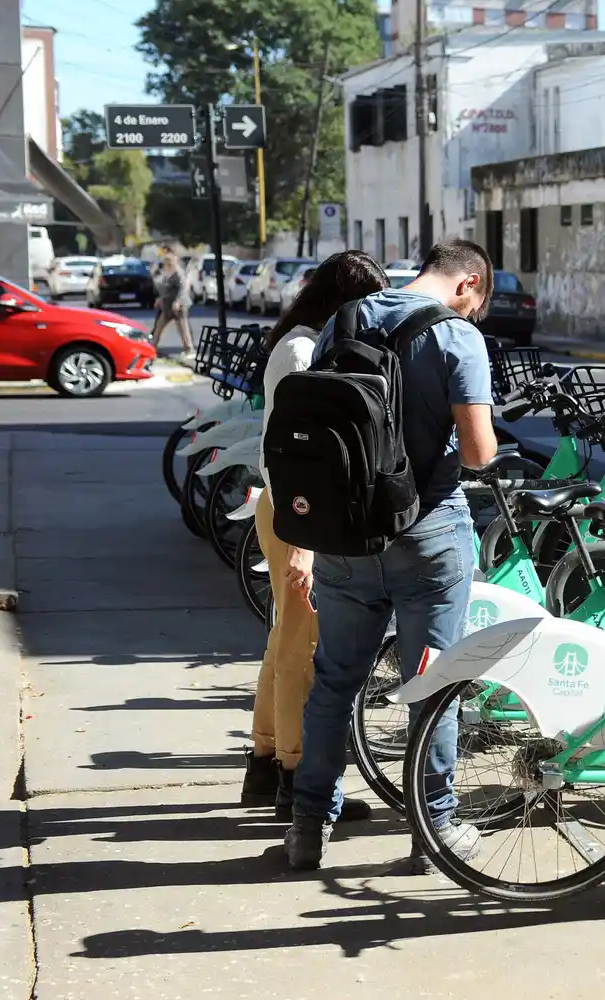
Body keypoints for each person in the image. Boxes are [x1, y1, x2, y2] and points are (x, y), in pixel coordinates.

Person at [284, 240, 498, 872]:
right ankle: (432, 832)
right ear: (467, 284)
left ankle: (306, 829)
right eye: (478, 303)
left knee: (334, 683)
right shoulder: (457, 338)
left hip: (345, 537)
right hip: (429, 534)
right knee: (433, 689)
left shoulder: (343, 322)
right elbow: (481, 451)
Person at [241, 251, 390, 823]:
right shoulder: (306, 349)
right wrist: (306, 529)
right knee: (302, 646)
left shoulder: (297, 341)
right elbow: (301, 448)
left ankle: (267, 757)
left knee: (286, 637)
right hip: (297, 509)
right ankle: (296, 773)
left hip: (287, 506)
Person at [150, 253, 195, 358]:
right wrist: (160, 299)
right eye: (165, 262)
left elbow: (183, 289)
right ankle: (151, 349)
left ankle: (189, 350)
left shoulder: (178, 273)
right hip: (167, 304)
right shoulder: (166, 273)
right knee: (159, 327)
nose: (166, 264)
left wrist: (178, 301)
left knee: (183, 328)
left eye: (168, 262)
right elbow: (164, 290)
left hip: (179, 305)